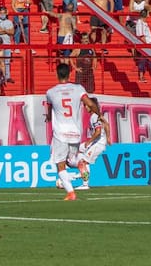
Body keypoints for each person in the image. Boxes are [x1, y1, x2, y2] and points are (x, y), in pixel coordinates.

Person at [44, 62, 100, 200]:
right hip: (75, 134)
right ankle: (82, 164)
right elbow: (90, 104)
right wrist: (100, 115)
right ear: (69, 74)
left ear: (57, 75)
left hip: (60, 134)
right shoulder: (78, 88)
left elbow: (49, 110)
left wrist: (49, 117)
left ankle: (70, 192)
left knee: (61, 165)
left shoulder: (50, 92)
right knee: (71, 161)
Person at [72, 106, 108, 190]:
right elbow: (106, 124)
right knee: (79, 149)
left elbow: (98, 132)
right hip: (95, 142)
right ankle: (83, 173)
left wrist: (89, 141)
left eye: (87, 105)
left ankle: (85, 184)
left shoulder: (94, 117)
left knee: (83, 162)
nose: (85, 107)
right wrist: (108, 137)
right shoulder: (96, 116)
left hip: (98, 144)